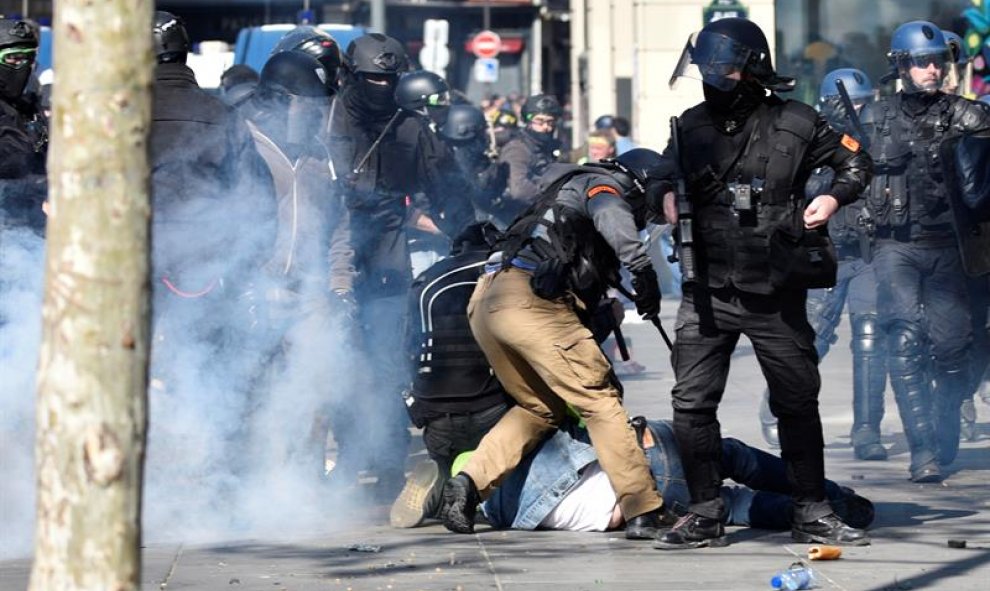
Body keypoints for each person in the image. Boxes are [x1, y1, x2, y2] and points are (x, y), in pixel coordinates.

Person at [650, 17, 873, 549]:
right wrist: (662, 196)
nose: (713, 76)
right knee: (692, 404)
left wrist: (833, 197)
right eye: (705, 67)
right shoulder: (691, 125)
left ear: (751, 69)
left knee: (796, 401)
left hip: (776, 287)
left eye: (722, 67)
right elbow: (659, 174)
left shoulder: (798, 121)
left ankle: (812, 510)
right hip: (707, 290)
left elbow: (857, 161)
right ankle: (705, 512)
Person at [439, 148, 669, 541]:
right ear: (639, 181)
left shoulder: (561, 196)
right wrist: (642, 269)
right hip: (529, 302)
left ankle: (468, 484)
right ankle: (644, 509)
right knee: (599, 401)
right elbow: (610, 213)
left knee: (539, 407)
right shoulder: (601, 185)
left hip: (489, 300)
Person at [326, 33, 473, 494]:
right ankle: (348, 458)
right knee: (337, 364)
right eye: (372, 78)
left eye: (389, 80)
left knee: (387, 365)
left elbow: (448, 184)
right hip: (332, 257)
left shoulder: (411, 128)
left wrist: (468, 233)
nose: (381, 86)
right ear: (352, 76)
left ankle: (389, 462)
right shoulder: (324, 121)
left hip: (389, 264)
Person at [861, 21, 990, 483]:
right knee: (903, 337)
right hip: (895, 245)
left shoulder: (970, 117)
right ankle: (922, 451)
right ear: (902, 66)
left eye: (937, 61)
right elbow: (844, 174)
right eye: (920, 62)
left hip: (949, 249)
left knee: (955, 346)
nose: (931, 69)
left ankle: (945, 417)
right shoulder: (873, 119)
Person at [758, 68, 887, 462]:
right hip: (822, 255)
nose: (860, 110)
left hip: (865, 253)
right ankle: (775, 412)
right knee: (808, 341)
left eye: (866, 102)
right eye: (854, 101)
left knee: (869, 338)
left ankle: (867, 429)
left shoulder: (880, 137)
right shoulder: (813, 139)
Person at [237, 49, 356, 476]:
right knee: (254, 387)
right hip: (253, 287)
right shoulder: (242, 141)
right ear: (281, 98)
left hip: (310, 290)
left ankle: (304, 482)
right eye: (310, 104)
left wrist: (340, 282)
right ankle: (252, 478)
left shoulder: (320, 154)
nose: (317, 114)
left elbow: (340, 224)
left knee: (315, 382)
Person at [482, 418, 874, 537]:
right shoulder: (525, 449)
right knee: (732, 454)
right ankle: (828, 497)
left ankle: (838, 512)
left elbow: (611, 518)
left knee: (732, 506)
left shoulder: (517, 517)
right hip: (650, 450)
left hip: (651, 505)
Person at [389, 222, 511, 528]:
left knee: (449, 462)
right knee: (525, 440)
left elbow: (405, 353)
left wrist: (416, 408)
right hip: (492, 412)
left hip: (437, 420)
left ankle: (441, 478)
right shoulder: (505, 273)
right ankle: (471, 488)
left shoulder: (425, 282)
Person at [0, 17, 47, 235]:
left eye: (29, 59)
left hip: (31, 224)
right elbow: (13, 160)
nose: (23, 67)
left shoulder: (27, 107)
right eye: (14, 59)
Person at [497, 94, 563, 222]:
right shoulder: (518, 149)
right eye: (539, 121)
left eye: (550, 122)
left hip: (535, 214)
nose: (545, 127)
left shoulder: (545, 146)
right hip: (513, 219)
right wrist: (553, 198)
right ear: (527, 121)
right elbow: (519, 190)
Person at [437, 103, 508, 223]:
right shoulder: (461, 161)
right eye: (482, 132)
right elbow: (477, 196)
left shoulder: (467, 156)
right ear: (467, 132)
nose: (486, 137)